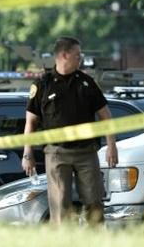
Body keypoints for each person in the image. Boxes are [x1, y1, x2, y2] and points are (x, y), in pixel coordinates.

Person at [21, 36, 118, 224]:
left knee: (94, 202)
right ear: (64, 55)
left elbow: (106, 116)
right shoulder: (42, 84)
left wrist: (111, 146)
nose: (80, 59)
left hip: (86, 153)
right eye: (77, 55)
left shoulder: (87, 83)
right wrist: (27, 153)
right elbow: (30, 122)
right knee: (60, 206)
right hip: (57, 153)